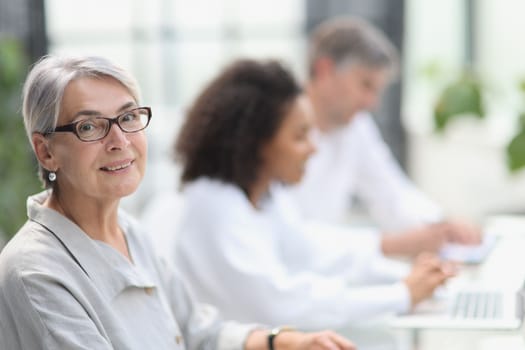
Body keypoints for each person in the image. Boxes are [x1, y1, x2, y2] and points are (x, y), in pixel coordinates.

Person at [0, 55, 356, 350]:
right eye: (90, 127)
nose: (120, 140)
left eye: (127, 117)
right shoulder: (36, 273)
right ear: (46, 152)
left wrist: (284, 341)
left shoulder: (130, 233)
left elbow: (196, 332)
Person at [173, 59, 454, 331]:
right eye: (300, 136)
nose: (313, 148)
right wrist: (400, 294)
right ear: (255, 142)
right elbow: (284, 304)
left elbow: (312, 253)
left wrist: (406, 278)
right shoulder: (216, 208)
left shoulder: (266, 196)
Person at [289, 16, 480, 256]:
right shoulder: (276, 130)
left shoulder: (355, 127)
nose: (372, 103)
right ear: (324, 70)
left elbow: (391, 193)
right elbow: (290, 236)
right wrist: (389, 245)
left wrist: (442, 225)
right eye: (365, 85)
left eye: (377, 91)